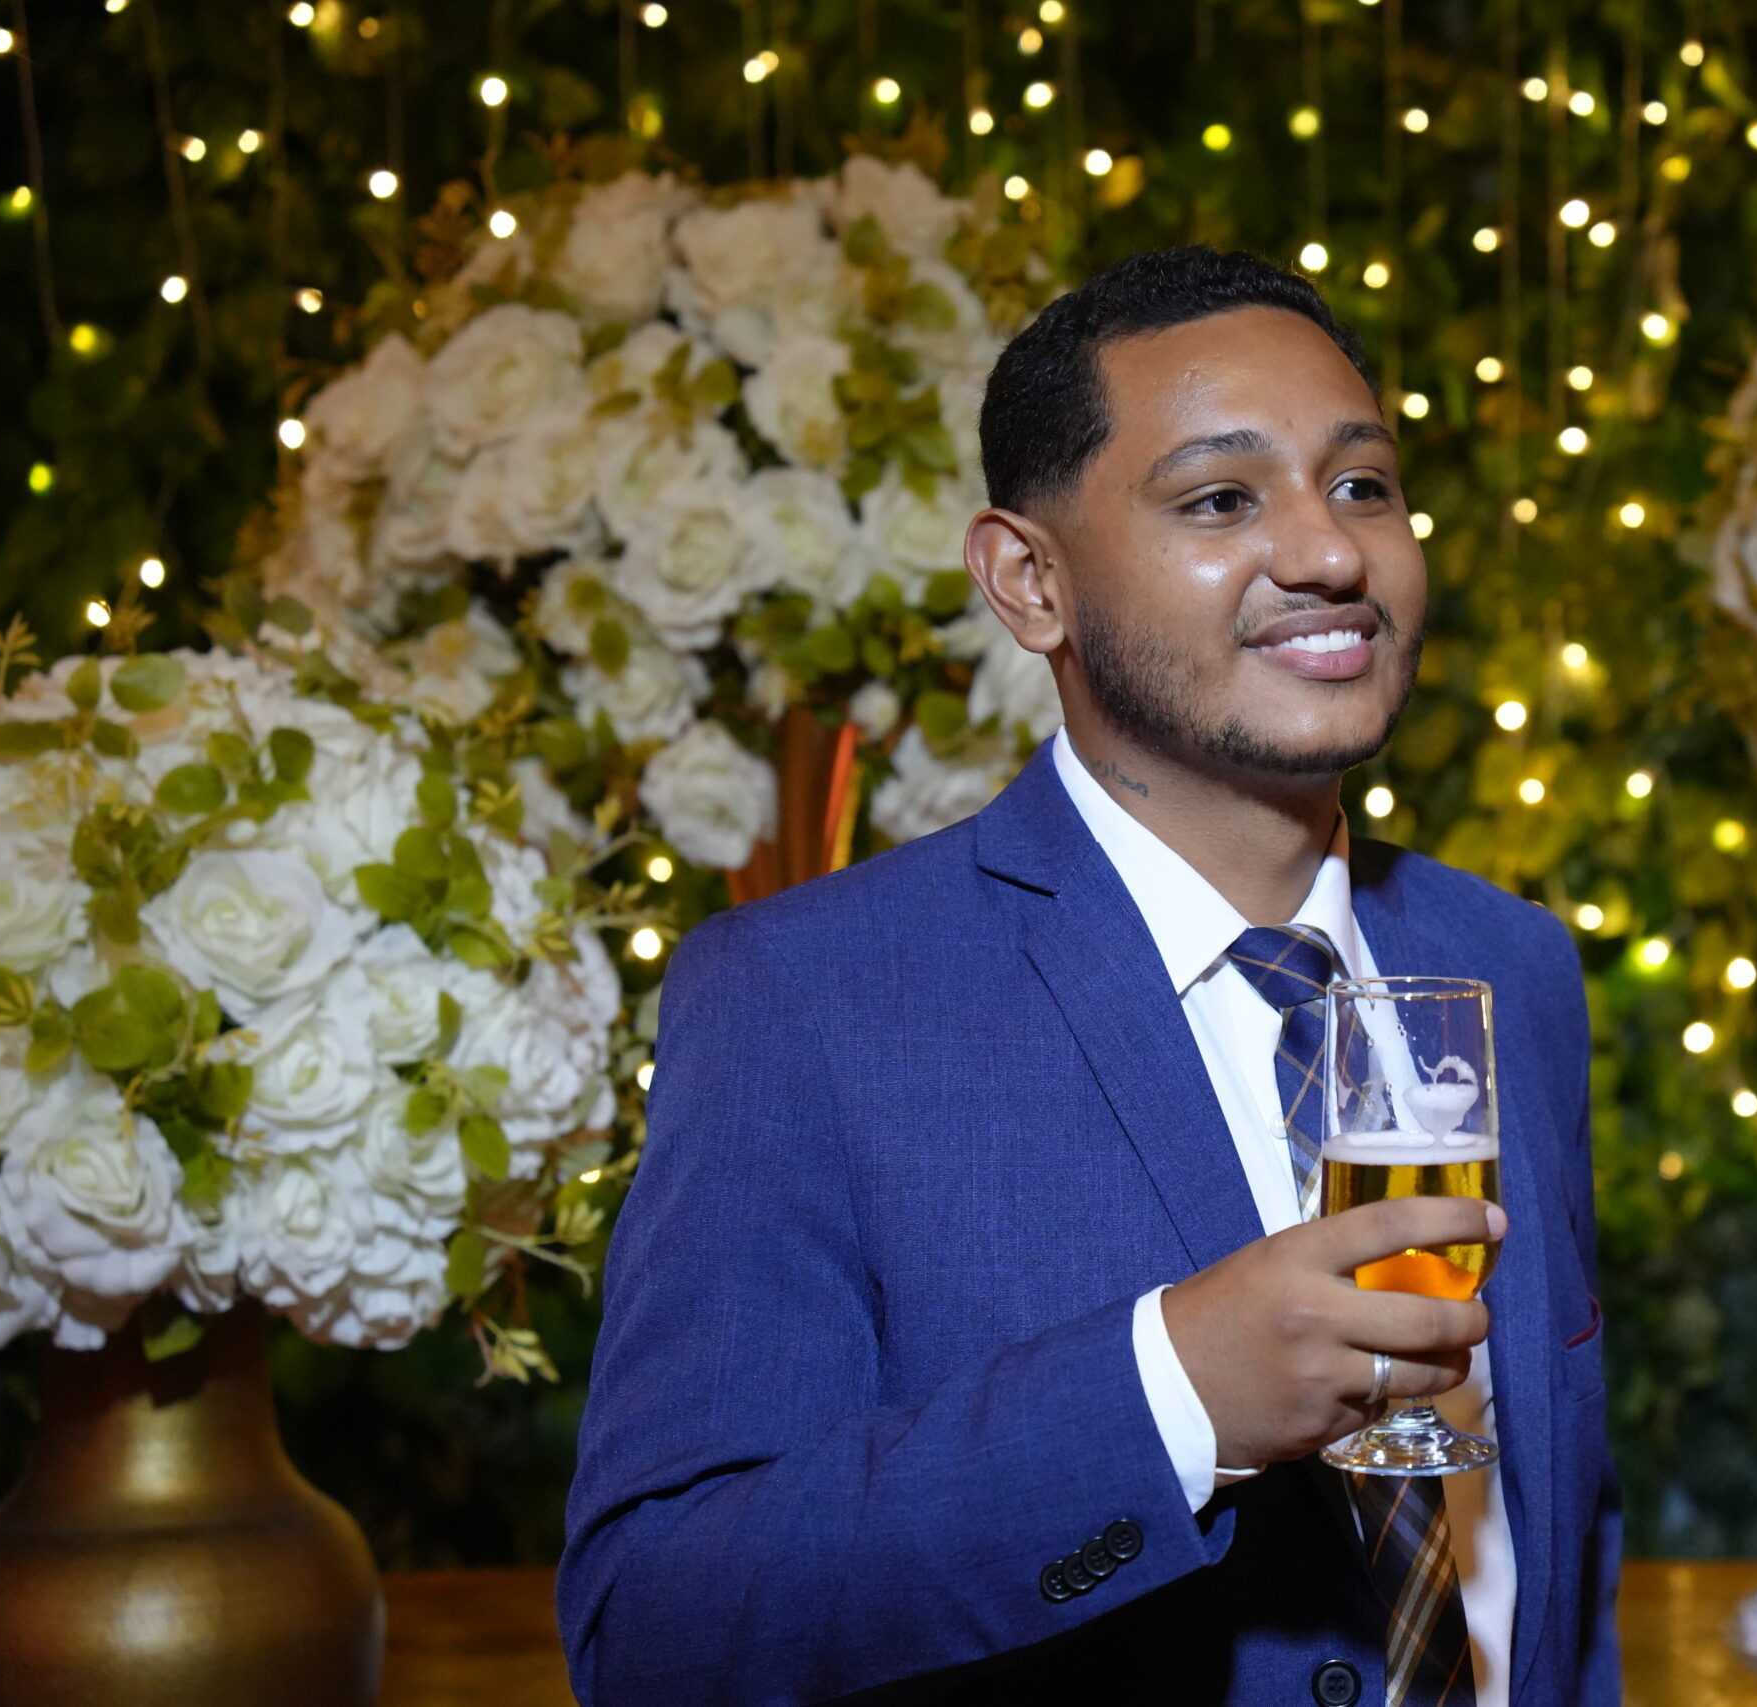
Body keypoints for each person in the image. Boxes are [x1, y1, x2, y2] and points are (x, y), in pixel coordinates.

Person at [559, 246, 1620, 1706]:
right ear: (1031, 581)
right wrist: (1171, 1398)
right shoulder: (803, 1003)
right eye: (1221, 499)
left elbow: (1562, 1554)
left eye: (1363, 484)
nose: (1330, 552)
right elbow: (657, 1625)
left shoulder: (1511, 964)